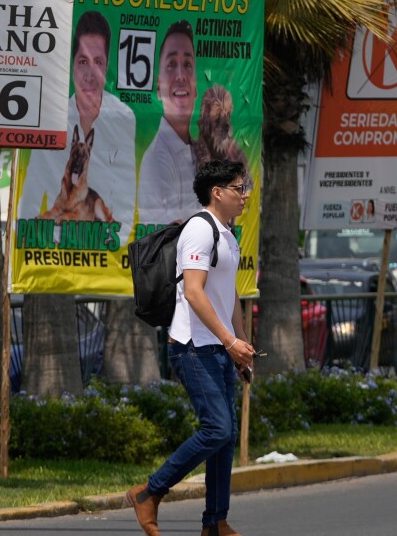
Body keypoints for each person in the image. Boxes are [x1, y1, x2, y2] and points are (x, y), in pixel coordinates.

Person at [127, 159, 254, 536]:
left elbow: (228, 294)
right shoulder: (199, 230)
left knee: (226, 435)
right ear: (218, 193)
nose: (245, 195)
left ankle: (214, 522)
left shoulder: (227, 233)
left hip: (219, 347)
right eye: (238, 188)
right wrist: (230, 341)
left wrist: (241, 344)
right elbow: (195, 294)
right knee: (216, 428)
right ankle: (149, 492)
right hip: (193, 347)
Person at [17, 10, 136, 240]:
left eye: (98, 62)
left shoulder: (124, 118)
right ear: (72, 65)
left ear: (107, 66)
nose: (89, 74)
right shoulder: (50, 117)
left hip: (105, 255)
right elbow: (29, 198)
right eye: (83, 61)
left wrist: (107, 247)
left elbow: (127, 206)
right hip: (53, 254)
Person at [138, 20, 201, 225]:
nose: (181, 75)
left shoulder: (199, 152)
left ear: (196, 86)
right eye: (172, 65)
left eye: (188, 65)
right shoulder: (156, 160)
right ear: (158, 86)